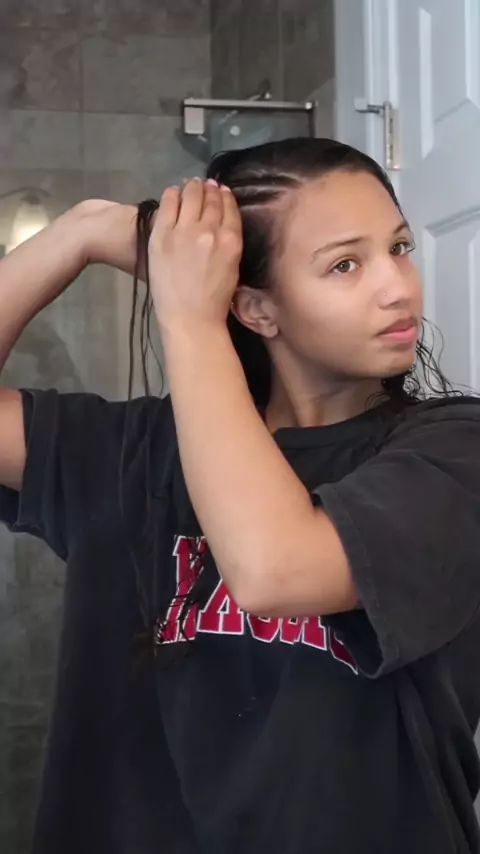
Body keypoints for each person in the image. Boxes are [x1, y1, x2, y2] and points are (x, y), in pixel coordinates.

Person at [1, 138, 480, 854]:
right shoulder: (139, 449)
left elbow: (275, 570)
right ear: (257, 309)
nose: (398, 287)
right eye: (346, 264)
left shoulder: (455, 452)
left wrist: (192, 321)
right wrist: (80, 232)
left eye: (399, 248)